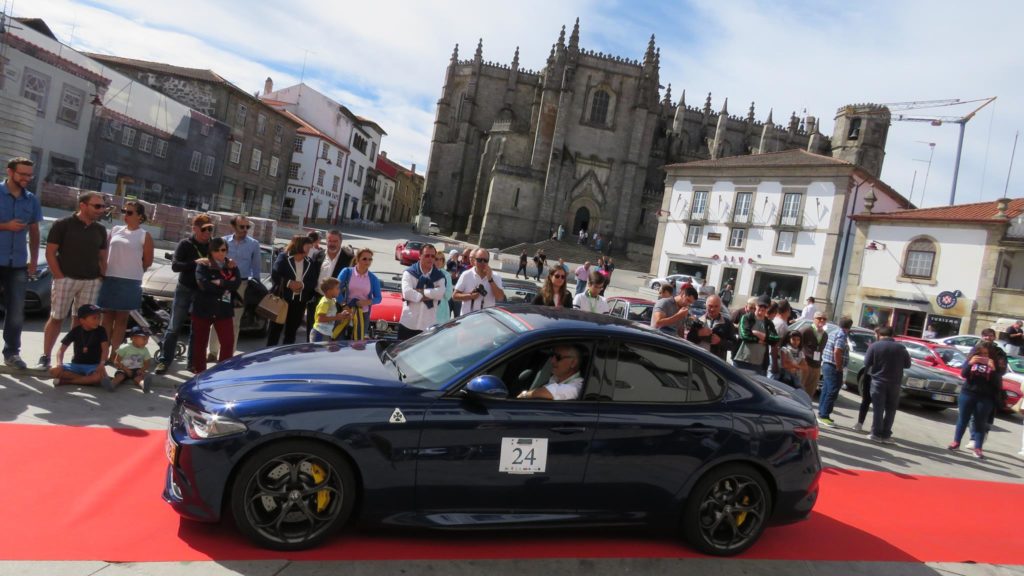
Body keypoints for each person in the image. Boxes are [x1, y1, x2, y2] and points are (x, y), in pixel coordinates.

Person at [39, 192, 108, 369]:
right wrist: (59, 276)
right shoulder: (63, 224)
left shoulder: (100, 229)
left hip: (91, 281)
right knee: (57, 317)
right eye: (97, 206)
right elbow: (50, 252)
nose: (101, 210)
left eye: (102, 206)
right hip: (66, 278)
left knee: (83, 322)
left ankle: (77, 360)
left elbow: (102, 257)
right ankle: (45, 356)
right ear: (83, 205)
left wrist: (101, 276)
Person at [154, 214, 212, 374]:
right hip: (184, 289)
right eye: (204, 229)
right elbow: (175, 266)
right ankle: (164, 361)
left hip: (202, 291)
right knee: (174, 326)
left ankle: (192, 364)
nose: (207, 233)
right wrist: (195, 263)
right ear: (194, 229)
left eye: (210, 229)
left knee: (197, 328)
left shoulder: (213, 245)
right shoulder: (185, 244)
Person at [0, 157, 43, 369]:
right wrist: (5, 226)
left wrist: (33, 261)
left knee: (16, 310)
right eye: (22, 174)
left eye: (29, 175)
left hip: (17, 263)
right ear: (10, 172)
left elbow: (34, 231)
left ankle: (12, 353)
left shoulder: (31, 200)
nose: (26, 178)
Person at [99, 201, 153, 364]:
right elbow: (105, 253)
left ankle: (115, 355)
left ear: (140, 216)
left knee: (121, 320)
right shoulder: (115, 230)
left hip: (130, 281)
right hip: (110, 278)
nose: (125, 215)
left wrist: (132, 271)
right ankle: (103, 353)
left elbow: (148, 261)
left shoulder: (144, 235)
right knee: (106, 318)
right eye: (124, 211)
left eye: (129, 212)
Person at [210, 215, 261, 358]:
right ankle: (213, 352)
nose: (245, 230)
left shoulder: (253, 244)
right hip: (224, 285)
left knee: (234, 321)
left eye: (247, 227)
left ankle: (229, 354)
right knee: (218, 316)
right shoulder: (223, 241)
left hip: (241, 286)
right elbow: (214, 261)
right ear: (233, 226)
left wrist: (255, 287)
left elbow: (256, 267)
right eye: (242, 226)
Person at [190, 237, 242, 374]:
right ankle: (200, 372)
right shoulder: (203, 264)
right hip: (203, 308)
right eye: (216, 250)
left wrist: (221, 283)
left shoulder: (231, 265)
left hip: (223, 309)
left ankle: (222, 373)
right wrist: (224, 287)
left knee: (228, 343)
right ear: (211, 251)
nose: (220, 253)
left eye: (223, 250)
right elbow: (203, 284)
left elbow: (236, 284)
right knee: (200, 343)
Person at [860, 326, 911, 443]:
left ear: (879, 335)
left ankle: (876, 433)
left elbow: (866, 362)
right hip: (895, 383)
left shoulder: (874, 346)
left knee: (878, 408)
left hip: (878, 381)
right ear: (892, 335)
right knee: (891, 409)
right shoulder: (901, 347)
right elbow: (907, 365)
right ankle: (886, 434)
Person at [949, 341, 1000, 459]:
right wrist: (970, 363)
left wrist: (992, 369)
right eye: (980, 354)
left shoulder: (994, 364)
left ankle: (978, 448)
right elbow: (963, 374)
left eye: (986, 354)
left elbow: (997, 383)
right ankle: (956, 442)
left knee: (980, 423)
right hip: (968, 393)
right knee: (963, 419)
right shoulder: (971, 360)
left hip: (985, 397)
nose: (983, 356)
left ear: (990, 355)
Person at [266, 235, 317, 347]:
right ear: (300, 245)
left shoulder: (309, 262)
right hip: (282, 300)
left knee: (291, 332)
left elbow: (313, 281)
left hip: (299, 303)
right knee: (275, 330)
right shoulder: (283, 257)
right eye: (308, 246)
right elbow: (275, 274)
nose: (310, 248)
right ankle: (269, 356)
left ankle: (286, 356)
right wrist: (289, 283)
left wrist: (302, 284)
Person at [305, 229, 354, 342]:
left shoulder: (349, 258)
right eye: (329, 240)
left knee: (332, 337)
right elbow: (310, 277)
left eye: (335, 241)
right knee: (312, 335)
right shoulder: (318, 255)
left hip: (336, 303)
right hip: (317, 300)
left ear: (341, 242)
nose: (332, 243)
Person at [967, 328, 1008, 449]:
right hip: (974, 386)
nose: (988, 338)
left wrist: (992, 366)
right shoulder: (976, 349)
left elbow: (1002, 370)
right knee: (973, 414)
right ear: (981, 336)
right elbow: (966, 365)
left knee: (987, 415)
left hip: (991, 388)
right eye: (985, 335)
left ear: (994, 337)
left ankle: (983, 433)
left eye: (990, 336)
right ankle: (973, 438)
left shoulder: (999, 352)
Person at [49, 303, 108, 387]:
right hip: (76, 365)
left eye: (99, 318)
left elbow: (105, 349)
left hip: (93, 366)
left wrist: (102, 364)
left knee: (97, 377)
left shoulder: (101, 330)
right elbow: (61, 350)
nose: (98, 321)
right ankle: (85, 380)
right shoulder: (75, 331)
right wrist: (59, 364)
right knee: (53, 370)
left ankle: (67, 382)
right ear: (82, 320)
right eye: (94, 318)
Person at [398, 244, 445, 340]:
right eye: (427, 255)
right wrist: (432, 294)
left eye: (433, 256)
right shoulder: (409, 273)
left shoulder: (439, 276)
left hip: (428, 325)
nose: (430, 259)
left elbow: (440, 294)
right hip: (408, 323)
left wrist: (420, 292)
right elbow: (407, 293)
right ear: (420, 256)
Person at [336, 248, 382, 340]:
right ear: (357, 259)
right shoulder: (347, 272)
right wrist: (344, 305)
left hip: (363, 315)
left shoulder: (373, 278)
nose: (367, 262)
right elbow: (336, 290)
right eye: (364, 259)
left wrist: (367, 302)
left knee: (357, 343)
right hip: (345, 312)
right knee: (339, 340)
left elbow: (378, 298)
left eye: (370, 259)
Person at [817, 316, 853, 428]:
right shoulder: (841, 335)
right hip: (833, 366)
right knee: (832, 391)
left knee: (826, 389)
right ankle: (824, 416)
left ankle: (821, 413)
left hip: (827, 364)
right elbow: (837, 351)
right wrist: (839, 367)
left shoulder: (834, 332)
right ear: (849, 327)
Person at [517, 344, 584, 400]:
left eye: (558, 357)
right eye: (552, 355)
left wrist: (525, 395)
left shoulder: (576, 387)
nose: (552, 361)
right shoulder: (555, 378)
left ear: (573, 363)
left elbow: (549, 392)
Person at [734, 297, 779, 376]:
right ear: (756, 306)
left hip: (759, 363)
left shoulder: (768, 323)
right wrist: (759, 341)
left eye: (764, 307)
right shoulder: (747, 317)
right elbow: (745, 336)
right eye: (760, 306)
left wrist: (757, 333)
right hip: (741, 360)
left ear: (767, 308)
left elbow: (775, 339)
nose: (761, 309)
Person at [454, 248, 506, 314]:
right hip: (468, 319)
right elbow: (455, 296)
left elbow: (500, 298)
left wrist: (490, 279)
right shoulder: (466, 274)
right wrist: (470, 296)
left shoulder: (496, 276)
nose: (482, 262)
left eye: (485, 260)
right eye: (479, 260)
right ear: (474, 260)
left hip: (485, 320)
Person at [689, 294, 735, 362]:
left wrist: (720, 341)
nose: (713, 309)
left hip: (716, 364)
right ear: (706, 306)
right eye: (710, 306)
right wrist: (698, 334)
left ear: (720, 307)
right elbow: (689, 339)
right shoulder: (698, 321)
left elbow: (734, 345)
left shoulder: (727, 323)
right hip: (699, 361)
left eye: (716, 306)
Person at [111, 325, 152, 392]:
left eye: (147, 339)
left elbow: (147, 362)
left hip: (137, 370)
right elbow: (116, 361)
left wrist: (142, 370)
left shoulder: (145, 350)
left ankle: (144, 385)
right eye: (144, 339)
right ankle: (111, 385)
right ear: (133, 338)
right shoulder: (124, 347)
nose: (146, 341)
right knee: (119, 376)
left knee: (139, 378)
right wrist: (125, 369)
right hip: (123, 368)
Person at [800, 312, 829, 399]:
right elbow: (797, 345)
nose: (822, 320)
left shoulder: (825, 335)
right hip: (806, 364)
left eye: (824, 319)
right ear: (814, 319)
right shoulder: (806, 330)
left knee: (811, 390)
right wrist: (802, 359)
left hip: (816, 365)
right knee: (800, 387)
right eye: (819, 318)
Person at [310, 277, 348, 343]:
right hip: (319, 333)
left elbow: (330, 315)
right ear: (329, 291)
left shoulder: (332, 301)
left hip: (326, 333)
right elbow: (320, 319)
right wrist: (337, 317)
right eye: (337, 288)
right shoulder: (325, 302)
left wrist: (341, 315)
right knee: (319, 352)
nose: (339, 290)